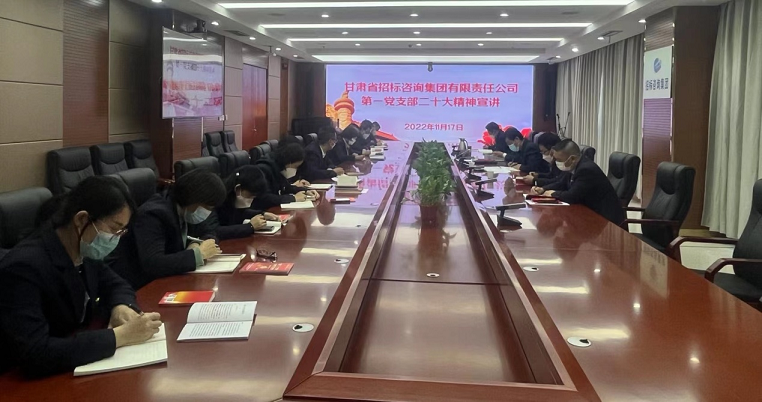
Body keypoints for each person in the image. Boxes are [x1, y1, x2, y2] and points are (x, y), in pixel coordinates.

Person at [0, 177, 162, 377]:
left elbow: (116, 284)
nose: (116, 238)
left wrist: (120, 306)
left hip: (73, 357)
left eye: (121, 231)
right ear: (82, 220)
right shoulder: (23, 267)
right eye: (113, 229)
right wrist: (119, 336)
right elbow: (35, 353)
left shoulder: (83, 248)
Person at [111, 169, 227, 289]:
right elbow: (153, 263)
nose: (208, 212)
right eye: (208, 207)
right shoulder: (153, 215)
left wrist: (197, 244)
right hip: (141, 285)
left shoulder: (186, 210)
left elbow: (210, 230)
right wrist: (198, 254)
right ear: (193, 198)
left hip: (170, 278)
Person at [532, 139, 625, 224]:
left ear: (572, 158)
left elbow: (572, 196)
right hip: (589, 213)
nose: (556, 162)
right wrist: (543, 189)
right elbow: (561, 183)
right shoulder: (573, 166)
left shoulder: (586, 170)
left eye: (559, 160)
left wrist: (553, 194)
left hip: (604, 220)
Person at [206, 166, 281, 240]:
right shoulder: (217, 197)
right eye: (250, 196)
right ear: (238, 188)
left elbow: (239, 213)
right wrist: (250, 226)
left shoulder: (232, 196)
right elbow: (214, 231)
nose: (251, 200)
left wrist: (262, 214)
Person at [252, 143, 320, 210]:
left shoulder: (278, 166)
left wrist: (305, 191)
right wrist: (294, 198)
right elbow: (264, 198)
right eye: (296, 166)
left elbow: (285, 187)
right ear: (289, 162)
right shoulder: (264, 169)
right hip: (262, 211)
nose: (296, 170)